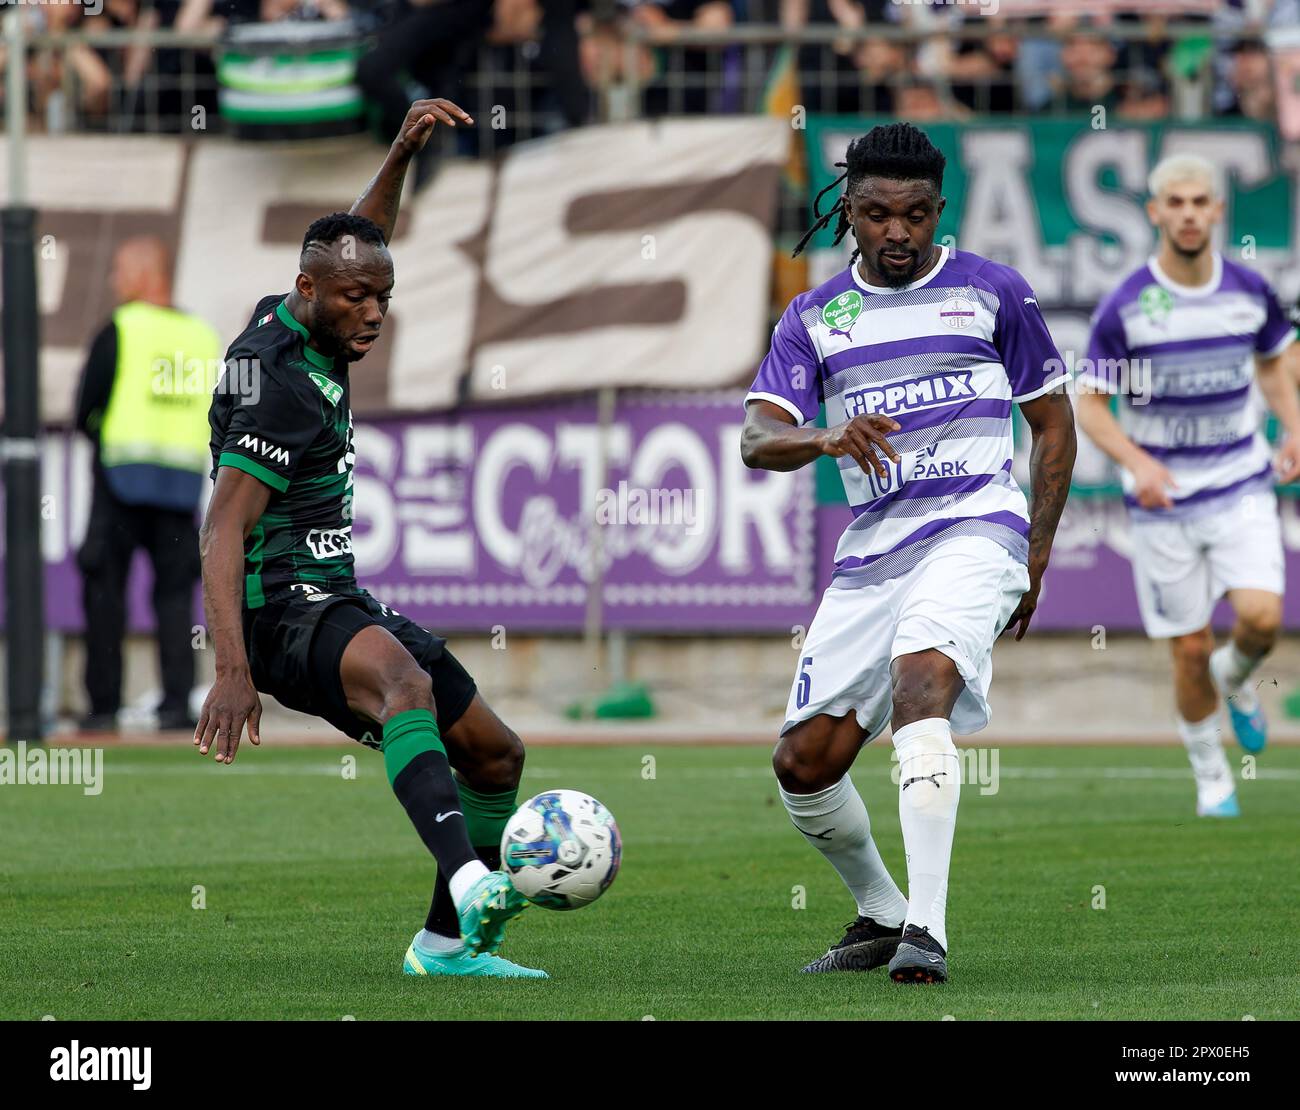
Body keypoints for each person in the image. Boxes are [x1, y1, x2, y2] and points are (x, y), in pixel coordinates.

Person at [198, 97, 544, 978]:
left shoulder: (302, 303)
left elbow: (355, 243)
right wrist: (235, 673)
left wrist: (400, 152)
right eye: (357, 298)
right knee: (401, 680)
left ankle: (443, 947)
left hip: (334, 592)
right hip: (277, 610)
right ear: (310, 292)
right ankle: (469, 883)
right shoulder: (277, 386)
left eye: (383, 296)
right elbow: (224, 526)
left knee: (496, 755)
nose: (374, 313)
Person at [741, 122, 1076, 985]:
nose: (899, 233)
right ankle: (884, 913)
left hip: (976, 526)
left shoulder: (994, 291)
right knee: (803, 765)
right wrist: (823, 438)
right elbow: (754, 439)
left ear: (939, 211)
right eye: (879, 214)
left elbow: (1052, 423)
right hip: (874, 551)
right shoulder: (815, 316)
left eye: (917, 214)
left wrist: (1032, 558)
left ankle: (927, 930)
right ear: (847, 210)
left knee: (920, 681)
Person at [1076, 155, 1300, 818]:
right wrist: (1138, 463)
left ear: (1217, 210)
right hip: (1163, 501)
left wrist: (1293, 427)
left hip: (1239, 483)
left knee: (1261, 618)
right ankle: (1212, 778)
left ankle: (1237, 680)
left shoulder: (1249, 291)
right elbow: (1090, 404)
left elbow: (1272, 365)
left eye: (1200, 201)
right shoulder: (1126, 306)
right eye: (1175, 202)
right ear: (1154, 212)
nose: (1189, 214)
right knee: (1190, 647)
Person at [75, 237, 220, 733]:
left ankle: (102, 710)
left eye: (119, 270)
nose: (115, 281)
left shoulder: (121, 328)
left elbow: (85, 408)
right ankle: (176, 707)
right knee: (175, 600)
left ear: (143, 273)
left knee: (104, 596)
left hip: (120, 483)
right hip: (180, 487)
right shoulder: (202, 336)